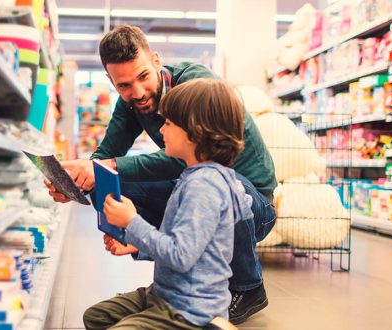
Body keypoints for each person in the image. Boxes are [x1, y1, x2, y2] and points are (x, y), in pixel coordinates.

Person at [46, 24, 276, 324]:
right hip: (197, 187)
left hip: (252, 202)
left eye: (142, 76)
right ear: (112, 81)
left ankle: (248, 287)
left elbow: (188, 163)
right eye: (124, 85)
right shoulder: (130, 102)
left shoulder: (196, 88)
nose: (137, 93)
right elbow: (106, 154)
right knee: (113, 182)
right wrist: (78, 180)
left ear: (156, 60)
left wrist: (108, 167)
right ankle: (163, 267)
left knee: (225, 184)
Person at [83, 78, 254, 329]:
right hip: (166, 293)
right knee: (96, 317)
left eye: (169, 123)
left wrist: (132, 222)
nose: (161, 130)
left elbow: (181, 256)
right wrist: (136, 246)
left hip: (190, 309)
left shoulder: (204, 187)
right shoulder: (194, 177)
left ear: (195, 132)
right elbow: (187, 244)